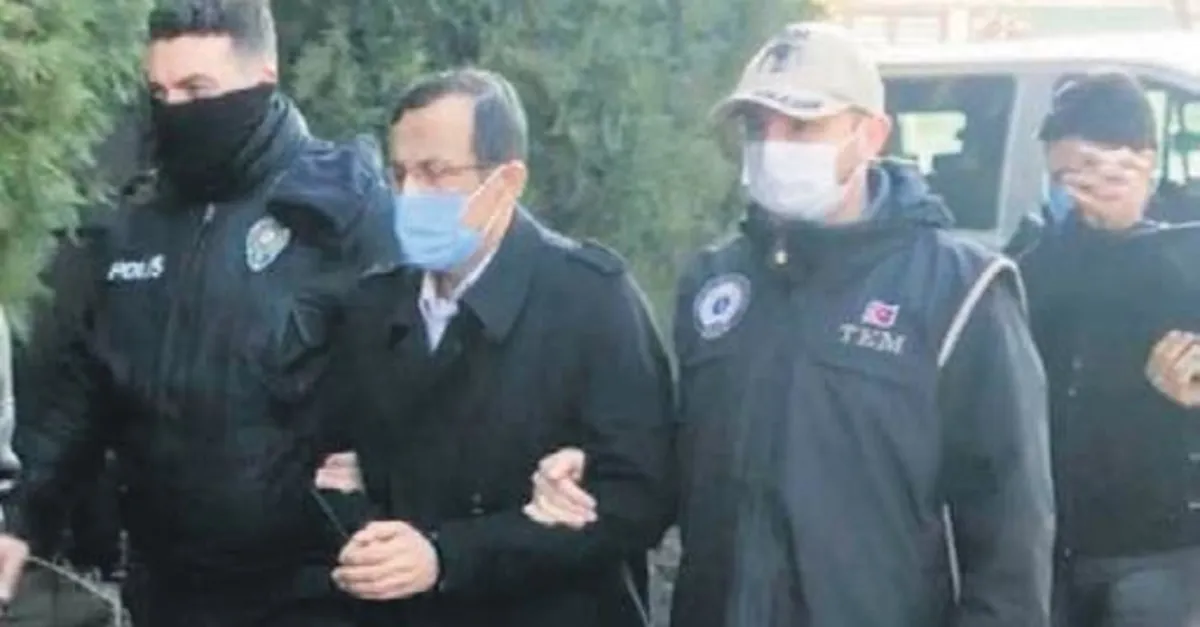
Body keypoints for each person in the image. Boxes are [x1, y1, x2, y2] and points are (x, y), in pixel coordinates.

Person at [523, 22, 1055, 627]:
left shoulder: (962, 291)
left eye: (802, 126)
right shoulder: (717, 280)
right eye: (758, 127)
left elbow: (1012, 528)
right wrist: (595, 473)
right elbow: (689, 465)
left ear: (870, 134)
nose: (774, 146)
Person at [0, 0, 398, 624]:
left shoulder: (346, 210)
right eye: (160, 92)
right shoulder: (140, 223)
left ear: (263, 76)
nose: (177, 111)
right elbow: (87, 388)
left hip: (312, 590)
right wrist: (25, 518)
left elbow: (424, 365)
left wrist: (388, 477)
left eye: (197, 89)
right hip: (166, 588)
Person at [310, 67, 675, 627]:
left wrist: (450, 555)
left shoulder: (591, 301)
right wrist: (365, 535)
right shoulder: (374, 305)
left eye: (435, 172)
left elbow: (641, 498)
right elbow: (334, 465)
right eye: (399, 174)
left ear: (507, 181)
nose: (410, 195)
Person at [1015, 70, 1200, 627]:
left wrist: (1128, 229)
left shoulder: (1184, 247)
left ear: (1142, 160)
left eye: (1086, 172)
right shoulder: (1039, 254)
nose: (1071, 191)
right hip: (1055, 542)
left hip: (1160, 550)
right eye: (1059, 177)